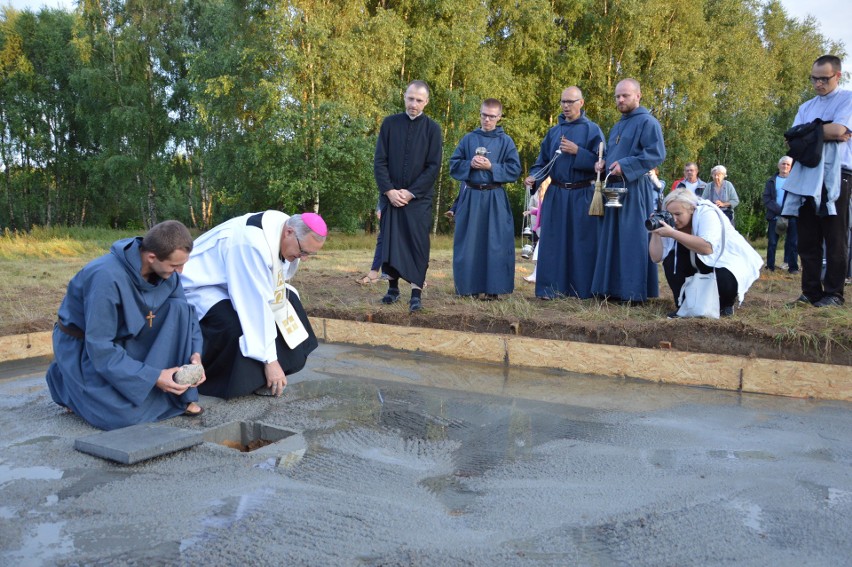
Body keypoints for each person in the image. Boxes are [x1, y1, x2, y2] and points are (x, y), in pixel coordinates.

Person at [45, 221, 205, 431]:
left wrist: (195, 354)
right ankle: (64, 381)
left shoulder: (168, 273)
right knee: (123, 417)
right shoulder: (105, 278)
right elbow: (100, 347)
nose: (180, 272)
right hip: (87, 347)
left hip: (130, 336)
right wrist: (154, 376)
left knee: (179, 309)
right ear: (151, 257)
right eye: (175, 265)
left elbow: (188, 319)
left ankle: (180, 394)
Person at [181, 212, 327, 399]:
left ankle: (279, 370)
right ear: (289, 232)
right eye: (303, 251)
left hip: (230, 279)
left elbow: (273, 277)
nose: (304, 258)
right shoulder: (249, 243)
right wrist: (270, 361)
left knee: (291, 302)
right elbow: (253, 306)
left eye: (309, 254)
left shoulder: (283, 227)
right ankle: (254, 377)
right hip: (201, 285)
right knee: (236, 325)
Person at [783, 54, 852, 307]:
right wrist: (824, 131)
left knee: (834, 236)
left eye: (824, 79)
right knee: (808, 237)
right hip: (806, 174)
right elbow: (791, 139)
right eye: (814, 78)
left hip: (838, 174)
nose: (818, 84)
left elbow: (840, 130)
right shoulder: (806, 107)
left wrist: (808, 132)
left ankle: (833, 293)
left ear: (837, 75)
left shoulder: (848, 99)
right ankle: (810, 292)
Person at [524, 86, 605, 299]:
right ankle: (550, 289)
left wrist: (578, 152)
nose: (566, 106)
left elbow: (601, 164)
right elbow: (542, 163)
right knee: (553, 242)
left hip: (583, 193)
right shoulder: (553, 132)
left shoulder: (592, 130)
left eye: (571, 101)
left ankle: (581, 290)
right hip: (557, 193)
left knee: (582, 243)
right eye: (563, 102)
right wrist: (534, 177)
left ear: (582, 102)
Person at [591, 78, 666, 303]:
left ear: (638, 96)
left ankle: (633, 292)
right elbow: (614, 154)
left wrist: (626, 165)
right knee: (612, 239)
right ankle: (611, 289)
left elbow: (656, 154)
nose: (620, 99)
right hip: (613, 188)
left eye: (625, 95)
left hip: (634, 188)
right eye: (617, 96)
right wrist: (603, 164)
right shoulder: (618, 125)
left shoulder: (648, 122)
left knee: (632, 238)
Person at [374, 80, 443, 312]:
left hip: (418, 199)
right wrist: (389, 191)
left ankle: (416, 292)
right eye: (410, 98)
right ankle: (392, 288)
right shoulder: (390, 124)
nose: (414, 104)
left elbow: (433, 167)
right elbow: (380, 161)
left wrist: (410, 192)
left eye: (419, 100)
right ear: (404, 97)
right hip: (391, 196)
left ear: (426, 102)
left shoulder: (433, 129)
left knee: (417, 245)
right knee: (391, 242)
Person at [649, 189, 763, 317]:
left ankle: (725, 304)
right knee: (670, 262)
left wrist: (673, 233)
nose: (673, 219)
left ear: (692, 209)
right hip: (695, 257)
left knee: (725, 275)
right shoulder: (669, 221)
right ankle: (685, 304)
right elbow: (656, 257)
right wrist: (655, 232)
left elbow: (707, 248)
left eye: (678, 214)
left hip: (723, 259)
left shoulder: (707, 213)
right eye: (670, 214)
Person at [449, 98, 521, 299]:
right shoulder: (468, 139)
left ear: (499, 117)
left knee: (495, 243)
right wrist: (469, 164)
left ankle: (493, 289)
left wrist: (492, 167)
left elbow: (515, 170)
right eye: (483, 115)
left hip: (494, 197)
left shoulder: (506, 142)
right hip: (471, 197)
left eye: (491, 116)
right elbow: (453, 165)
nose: (487, 120)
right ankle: (468, 288)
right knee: (469, 243)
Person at [762, 156, 799, 274]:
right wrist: (780, 210)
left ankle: (793, 268)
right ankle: (770, 266)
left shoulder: (795, 181)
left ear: (791, 167)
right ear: (779, 166)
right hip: (774, 215)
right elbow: (766, 198)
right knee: (772, 242)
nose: (785, 166)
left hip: (792, 215)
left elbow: (798, 198)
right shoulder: (771, 181)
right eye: (783, 164)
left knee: (793, 243)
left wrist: (789, 210)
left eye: (788, 165)